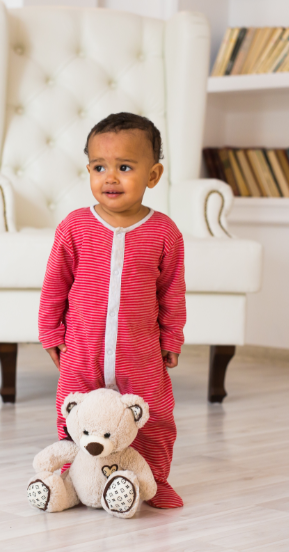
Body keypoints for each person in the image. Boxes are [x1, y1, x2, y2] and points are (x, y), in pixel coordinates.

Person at [38, 112, 186, 509]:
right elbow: (55, 284)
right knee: (73, 415)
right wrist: (50, 332)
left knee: (154, 417)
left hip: (140, 353)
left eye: (124, 167)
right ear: (88, 170)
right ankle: (72, 479)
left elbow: (172, 292)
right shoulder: (74, 227)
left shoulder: (165, 232)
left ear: (153, 175)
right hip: (81, 348)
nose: (110, 177)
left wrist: (172, 338)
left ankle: (153, 481)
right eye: (99, 167)